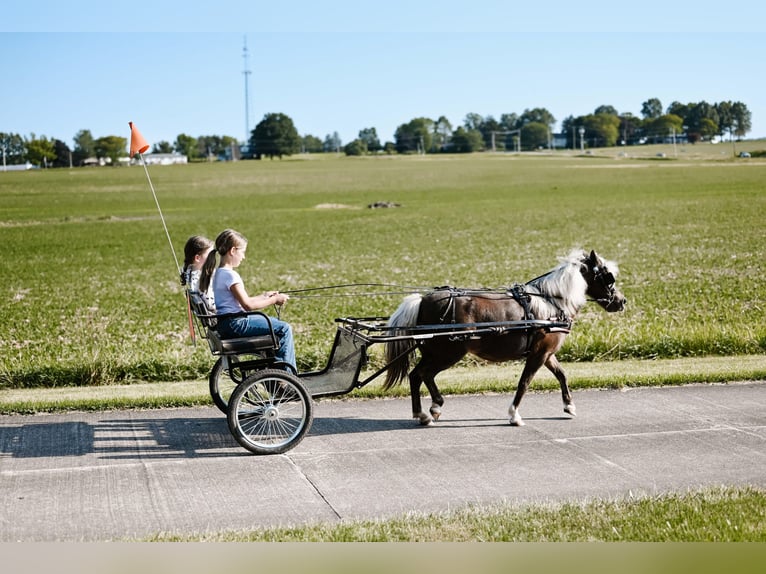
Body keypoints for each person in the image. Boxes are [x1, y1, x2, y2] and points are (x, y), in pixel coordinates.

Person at [198, 229, 296, 372]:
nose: (243, 257)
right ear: (232, 251)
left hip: (226, 324)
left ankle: (275, 375)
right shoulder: (231, 276)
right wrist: (274, 299)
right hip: (237, 324)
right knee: (284, 328)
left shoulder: (218, 274)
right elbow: (248, 305)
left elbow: (241, 301)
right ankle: (286, 376)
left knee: (274, 325)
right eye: (242, 252)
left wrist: (265, 295)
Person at [180, 235, 216, 310]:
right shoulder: (202, 279)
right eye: (210, 255)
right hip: (223, 317)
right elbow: (211, 305)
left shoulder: (190, 273)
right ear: (197, 258)